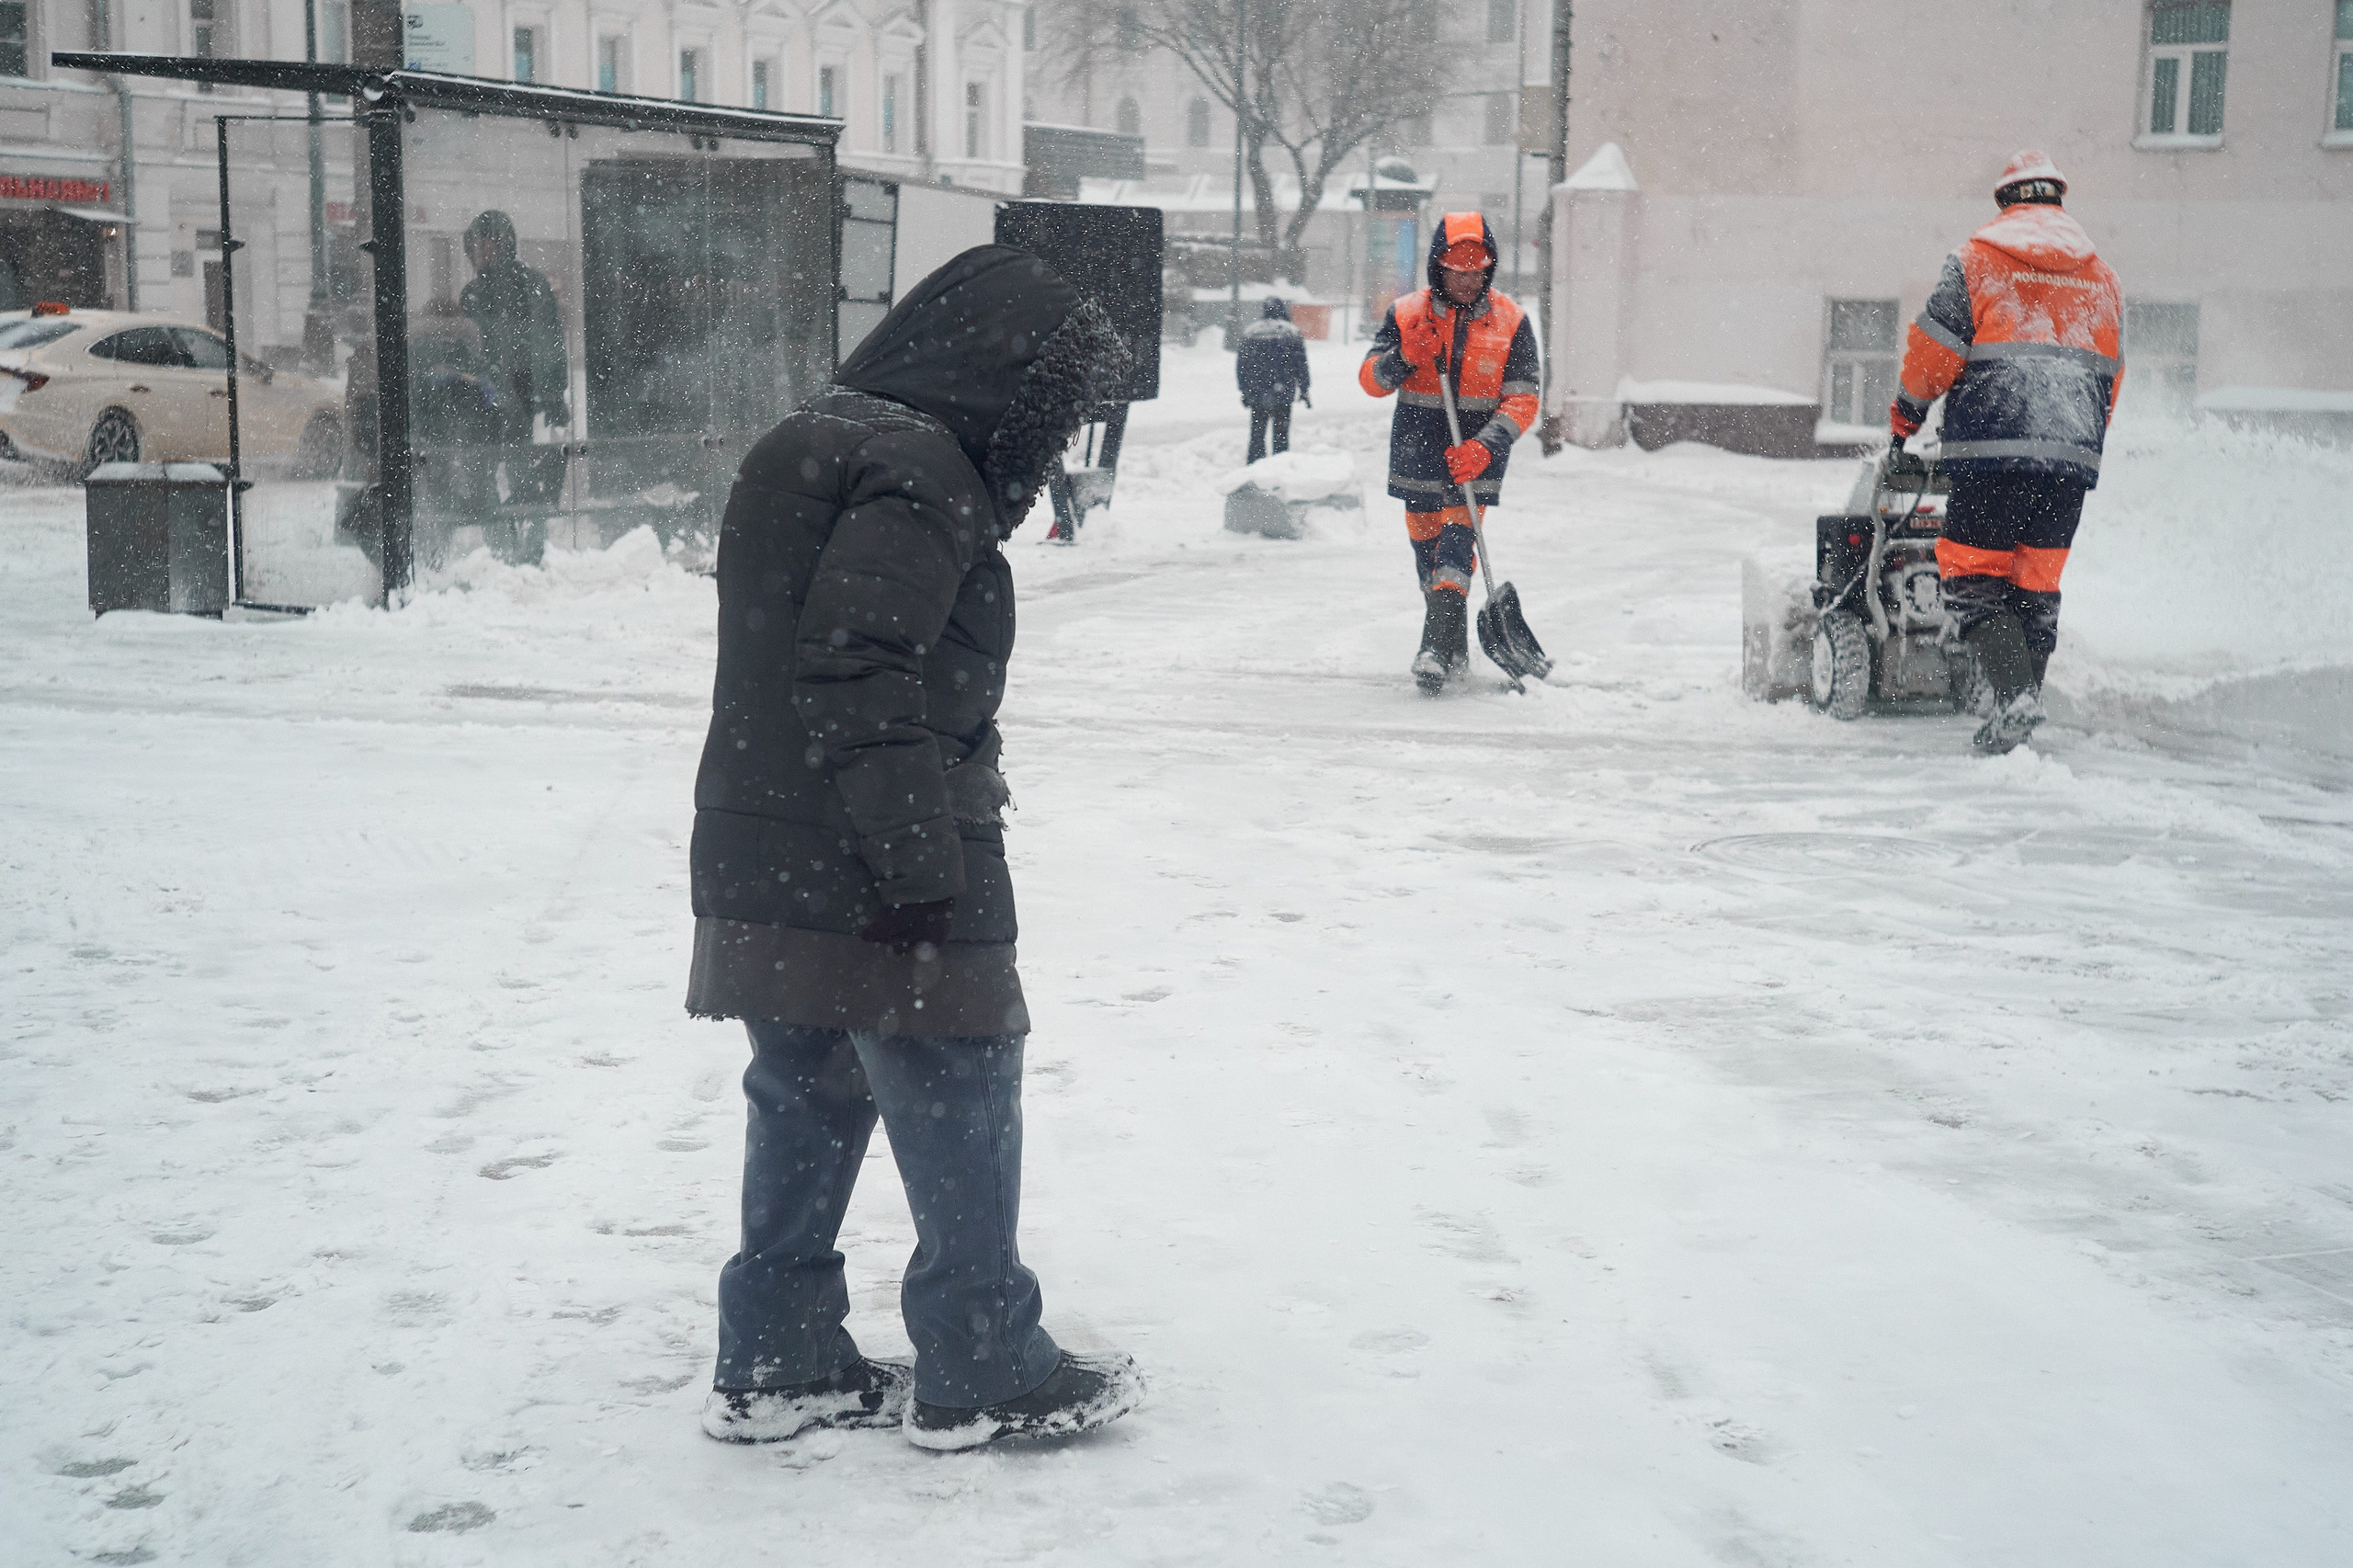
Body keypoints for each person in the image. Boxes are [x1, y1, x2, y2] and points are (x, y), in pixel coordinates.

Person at [684, 246, 1146, 1452]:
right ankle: (982, 1357)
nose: (1049, 450)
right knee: (962, 1077)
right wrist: (920, 867)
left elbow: (790, 652)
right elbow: (856, 662)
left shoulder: (816, 436)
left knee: (807, 1084)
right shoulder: (921, 469)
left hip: (764, 839)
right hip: (874, 841)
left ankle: (778, 1353)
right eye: (1051, 413)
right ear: (1003, 380)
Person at [1892, 151, 2124, 755]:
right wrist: (2080, 443)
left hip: (1992, 451)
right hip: (2070, 458)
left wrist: (1905, 418)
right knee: (2036, 586)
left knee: (1973, 579)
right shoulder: (2102, 277)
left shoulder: (1977, 262)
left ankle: (2014, 702)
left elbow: (1932, 354)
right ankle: (2019, 712)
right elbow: (2109, 379)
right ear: (2058, 201)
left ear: (2005, 201)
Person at [1358, 212, 1540, 693]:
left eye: (1476, 269)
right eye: (1456, 269)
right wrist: (1406, 357)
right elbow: (1371, 381)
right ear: (1438, 268)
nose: (1466, 279)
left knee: (1456, 550)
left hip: (1474, 457)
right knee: (1427, 553)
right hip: (1417, 448)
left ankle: (1433, 650)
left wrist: (1487, 446)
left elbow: (1524, 398)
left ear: (1490, 268)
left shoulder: (1513, 321)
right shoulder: (1405, 314)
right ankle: (1451, 645)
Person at [459, 210, 570, 527]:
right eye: (475, 246)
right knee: (482, 475)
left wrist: (552, 392)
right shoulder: (472, 294)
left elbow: (549, 341)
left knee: (522, 473)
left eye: (486, 245)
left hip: (520, 395)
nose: (479, 253)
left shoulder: (530, 286)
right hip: (484, 399)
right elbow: (468, 349)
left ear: (504, 244)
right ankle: (502, 545)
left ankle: (528, 548)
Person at [1235, 296, 1310, 463]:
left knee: (1257, 433)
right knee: (1281, 434)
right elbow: (1301, 364)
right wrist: (1304, 388)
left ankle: (1255, 466)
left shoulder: (1251, 332)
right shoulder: (1291, 332)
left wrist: (1245, 389)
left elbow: (1242, 365)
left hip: (1257, 391)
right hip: (1284, 390)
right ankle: (1279, 466)